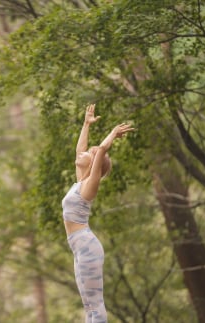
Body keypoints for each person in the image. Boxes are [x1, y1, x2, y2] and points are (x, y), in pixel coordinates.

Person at [62, 104, 134, 323]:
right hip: (80, 247)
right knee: (88, 304)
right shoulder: (79, 182)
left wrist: (112, 134)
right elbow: (79, 151)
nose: (82, 153)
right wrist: (86, 124)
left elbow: (101, 151)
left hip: (86, 246)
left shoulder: (88, 187)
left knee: (95, 303)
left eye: (88, 154)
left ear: (94, 165)